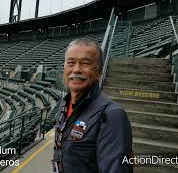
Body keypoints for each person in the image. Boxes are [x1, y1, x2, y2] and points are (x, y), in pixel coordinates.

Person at [52, 38, 133, 173]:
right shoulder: (63, 104)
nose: (76, 69)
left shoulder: (112, 115)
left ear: (99, 72)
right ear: (64, 68)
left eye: (85, 63)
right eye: (71, 63)